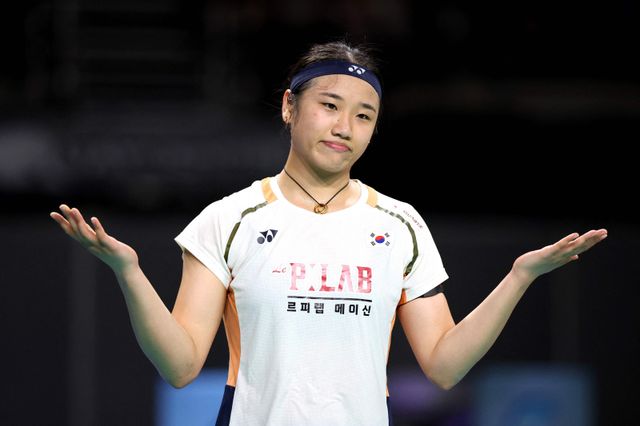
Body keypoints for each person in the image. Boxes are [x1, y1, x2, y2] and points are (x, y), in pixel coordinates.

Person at [50, 41, 608, 426]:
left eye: (364, 115)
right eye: (330, 106)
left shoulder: (400, 224)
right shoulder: (230, 218)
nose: (345, 127)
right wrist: (129, 272)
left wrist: (519, 277)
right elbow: (180, 366)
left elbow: (444, 365)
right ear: (290, 107)